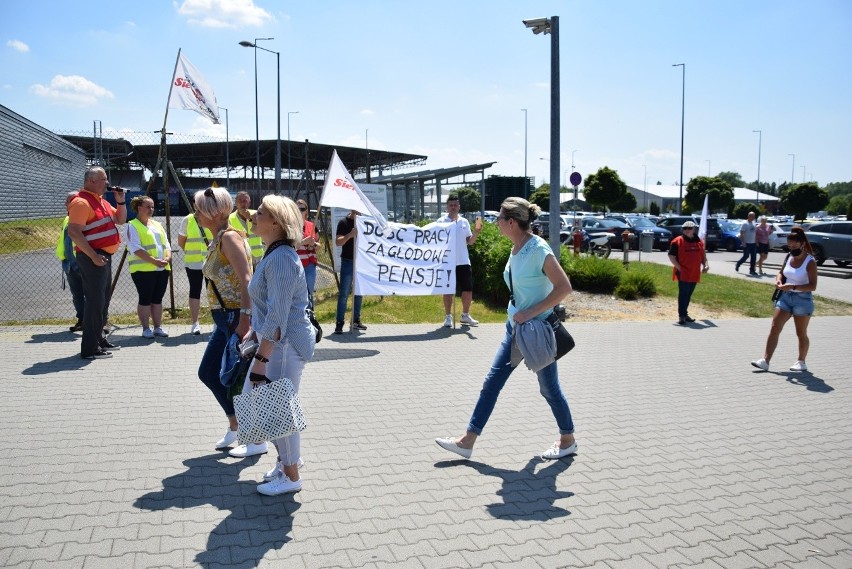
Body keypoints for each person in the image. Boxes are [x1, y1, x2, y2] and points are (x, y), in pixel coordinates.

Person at [435, 197, 577, 460]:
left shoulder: (538, 250)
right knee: (491, 383)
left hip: (537, 331)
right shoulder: (516, 247)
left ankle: (567, 439)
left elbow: (564, 288)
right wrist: (518, 316)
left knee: (549, 389)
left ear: (512, 222)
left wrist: (529, 313)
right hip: (516, 330)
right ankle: (467, 441)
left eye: (499, 218)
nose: (496, 222)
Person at [245, 195, 316, 496]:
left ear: (275, 222)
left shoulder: (283, 258)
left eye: (259, 213)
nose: (253, 217)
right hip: (276, 343)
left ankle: (291, 476)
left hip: (283, 345)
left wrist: (261, 359)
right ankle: (285, 462)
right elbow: (268, 308)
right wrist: (254, 331)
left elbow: (278, 314)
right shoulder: (275, 253)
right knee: (263, 403)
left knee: (278, 409)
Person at [194, 187, 255, 453]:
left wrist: (245, 319)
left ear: (215, 212)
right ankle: (236, 426)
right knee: (211, 373)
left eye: (199, 209)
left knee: (236, 377)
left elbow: (247, 280)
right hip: (223, 318)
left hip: (233, 316)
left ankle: (254, 436)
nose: (196, 213)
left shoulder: (229, 238)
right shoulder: (219, 238)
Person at [66, 167, 126, 359]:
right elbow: (74, 232)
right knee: (95, 302)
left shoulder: (102, 202)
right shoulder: (82, 202)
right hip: (93, 257)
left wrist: (120, 200)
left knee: (103, 300)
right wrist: (92, 255)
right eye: (103, 179)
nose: (107, 183)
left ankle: (99, 339)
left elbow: (121, 219)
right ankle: (90, 349)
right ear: (91, 181)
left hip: (103, 257)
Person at [751, 227, 818, 372]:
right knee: (775, 327)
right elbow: (781, 272)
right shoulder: (788, 256)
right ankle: (765, 361)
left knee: (801, 333)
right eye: (789, 245)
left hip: (803, 299)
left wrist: (793, 286)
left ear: (802, 244)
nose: (792, 248)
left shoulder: (810, 261)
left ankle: (801, 361)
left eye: (794, 245)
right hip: (785, 297)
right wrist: (779, 281)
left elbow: (813, 286)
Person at [126, 196, 171, 338]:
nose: (151, 209)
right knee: (145, 299)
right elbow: (135, 248)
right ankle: (146, 329)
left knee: (157, 299)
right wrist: (153, 260)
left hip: (162, 269)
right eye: (148, 207)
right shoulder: (132, 225)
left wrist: (167, 258)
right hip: (143, 270)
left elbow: (167, 244)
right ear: (139, 208)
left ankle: (157, 327)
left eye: (152, 207)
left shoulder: (157, 225)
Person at [438, 195, 482, 327]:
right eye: (451, 205)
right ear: (447, 207)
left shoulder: (464, 222)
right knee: (448, 290)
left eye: (455, 205)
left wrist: (476, 232)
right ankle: (447, 317)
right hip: (447, 262)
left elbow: (470, 242)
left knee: (468, 290)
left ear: (459, 206)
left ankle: (465, 315)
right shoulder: (441, 221)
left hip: (463, 261)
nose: (453, 207)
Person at [667, 220, 709, 325]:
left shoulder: (699, 241)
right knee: (683, 293)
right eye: (684, 228)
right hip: (683, 272)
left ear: (693, 229)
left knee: (689, 294)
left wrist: (706, 264)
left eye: (689, 228)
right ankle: (681, 316)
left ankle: (685, 314)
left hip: (694, 272)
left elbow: (703, 255)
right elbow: (671, 256)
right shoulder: (677, 241)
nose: (686, 230)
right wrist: (679, 268)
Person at [178, 211, 214, 335]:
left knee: (213, 292)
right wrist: (190, 251)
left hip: (210, 262)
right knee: (195, 291)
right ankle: (195, 323)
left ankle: (216, 322)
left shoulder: (212, 216)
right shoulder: (187, 220)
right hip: (193, 263)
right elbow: (181, 241)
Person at [56, 192, 86, 332]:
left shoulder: (85, 217)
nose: (65, 204)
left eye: (68, 201)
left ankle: (99, 322)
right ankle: (81, 320)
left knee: (92, 294)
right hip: (69, 264)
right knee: (77, 295)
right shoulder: (67, 219)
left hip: (83, 262)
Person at [334, 210, 367, 334]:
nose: (359, 211)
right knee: (344, 293)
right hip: (348, 261)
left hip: (361, 262)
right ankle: (339, 322)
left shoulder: (364, 223)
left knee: (358, 292)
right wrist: (350, 235)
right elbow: (338, 242)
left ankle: (356, 320)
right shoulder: (344, 223)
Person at [295, 199, 319, 308]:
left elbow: (319, 245)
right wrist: (305, 241)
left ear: (306, 212)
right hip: (296, 264)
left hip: (309, 265)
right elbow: (290, 246)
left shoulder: (312, 226)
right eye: (297, 209)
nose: (300, 211)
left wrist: (313, 244)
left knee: (309, 293)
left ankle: (310, 319)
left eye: (302, 209)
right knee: (297, 294)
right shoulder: (291, 227)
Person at [228, 191, 263, 266]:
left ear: (249, 203)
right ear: (236, 203)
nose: (242, 203)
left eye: (245, 201)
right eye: (240, 201)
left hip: (257, 257)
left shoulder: (257, 214)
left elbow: (263, 230)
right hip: (241, 257)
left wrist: (250, 219)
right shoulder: (230, 218)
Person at [735, 211, 758, 275]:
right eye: (752, 216)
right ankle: (738, 263)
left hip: (753, 243)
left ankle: (752, 270)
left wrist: (756, 241)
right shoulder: (745, 224)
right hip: (747, 243)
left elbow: (755, 233)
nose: (753, 217)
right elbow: (742, 233)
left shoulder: (754, 223)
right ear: (749, 216)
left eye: (754, 216)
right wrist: (743, 242)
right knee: (746, 256)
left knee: (753, 257)